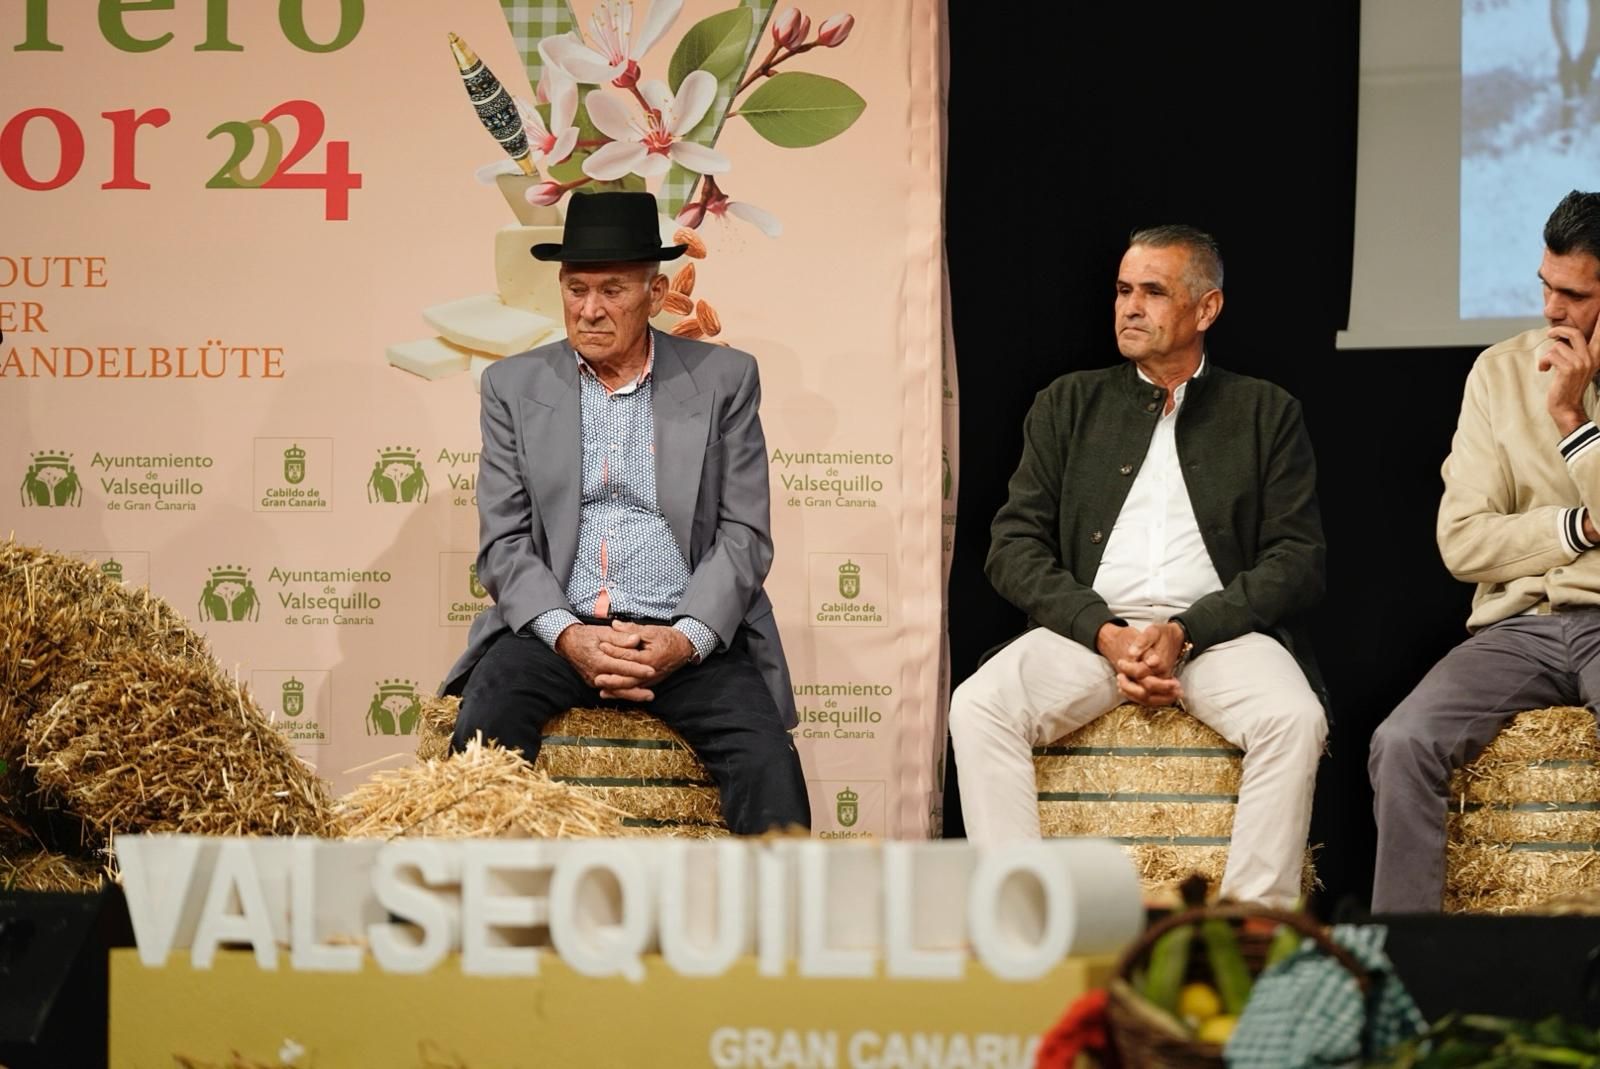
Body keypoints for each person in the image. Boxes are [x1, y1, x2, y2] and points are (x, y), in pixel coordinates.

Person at [948, 225, 1328, 905]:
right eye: (1124, 290)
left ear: (1205, 309)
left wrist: (1187, 630)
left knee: (1294, 717)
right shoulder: (1067, 403)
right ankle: (1024, 911)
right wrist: (1105, 631)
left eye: (1153, 291)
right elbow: (1013, 546)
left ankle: (1251, 921)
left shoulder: (1264, 411)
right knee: (978, 706)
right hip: (1091, 637)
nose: (1130, 306)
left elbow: (1298, 559)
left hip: (1217, 637)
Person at [441, 191, 810, 835]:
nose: (589, 310)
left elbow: (744, 534)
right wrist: (568, 635)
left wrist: (684, 638)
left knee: (765, 762)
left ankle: (782, 929)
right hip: (555, 631)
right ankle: (457, 920)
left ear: (657, 291)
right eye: (576, 288)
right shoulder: (512, 387)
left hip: (683, 632)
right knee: (485, 728)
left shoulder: (724, 379)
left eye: (612, 290)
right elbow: (504, 543)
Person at [1370, 190, 1600, 911]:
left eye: (1574, 294)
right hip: (1519, 627)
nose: (1552, 309)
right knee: (1401, 742)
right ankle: (1401, 974)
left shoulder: (1556, 388)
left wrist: (1570, 412)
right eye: (1545, 286)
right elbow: (1463, 541)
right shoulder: (1498, 373)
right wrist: (1579, 530)